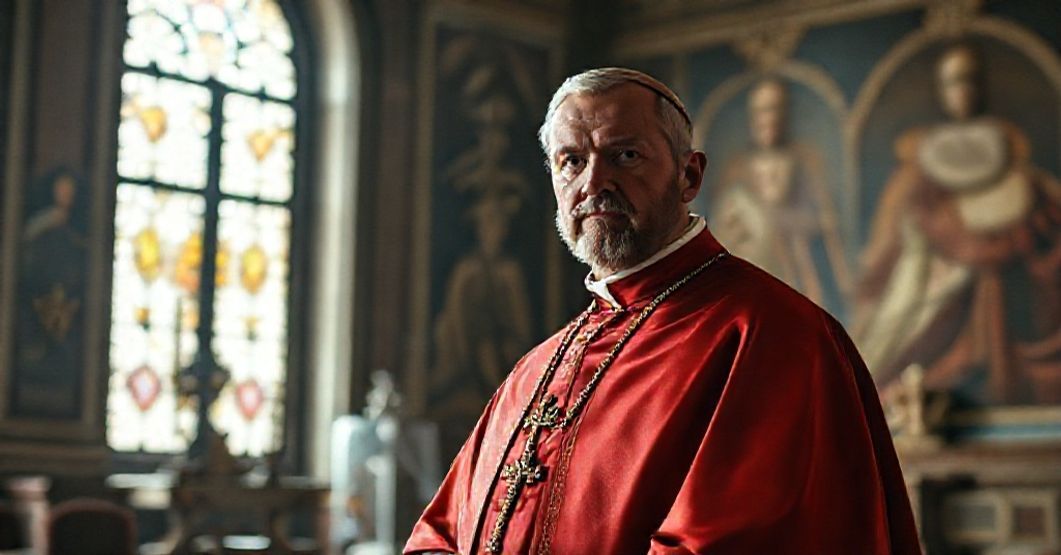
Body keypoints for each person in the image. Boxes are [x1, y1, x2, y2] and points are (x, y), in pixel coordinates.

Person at [405, 67, 921, 554]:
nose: (594, 183)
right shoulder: (535, 370)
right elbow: (440, 532)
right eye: (572, 161)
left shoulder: (773, 334)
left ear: (688, 176)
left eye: (625, 155)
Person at [855, 44, 1061, 405]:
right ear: (942, 90)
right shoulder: (920, 166)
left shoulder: (1012, 158)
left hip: (990, 274)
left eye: (968, 80)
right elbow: (902, 230)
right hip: (934, 268)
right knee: (906, 317)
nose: (962, 91)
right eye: (953, 82)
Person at [713, 79, 851, 311]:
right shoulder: (736, 172)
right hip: (751, 266)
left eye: (774, 110)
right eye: (762, 111)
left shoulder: (803, 161)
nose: (768, 119)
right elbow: (724, 232)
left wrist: (786, 222)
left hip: (793, 264)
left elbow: (822, 220)